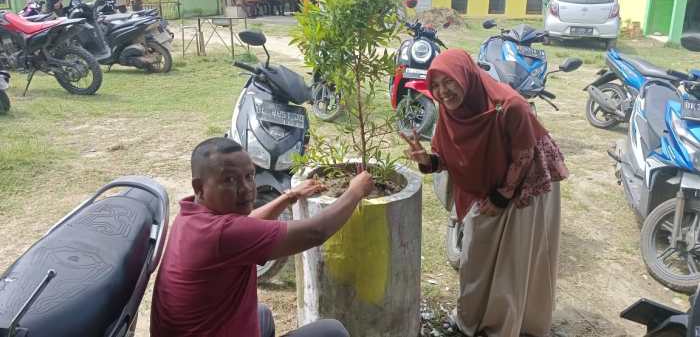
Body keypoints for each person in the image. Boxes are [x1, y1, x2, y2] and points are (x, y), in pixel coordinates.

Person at [402, 49, 568, 337]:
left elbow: (524, 155)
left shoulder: (508, 106)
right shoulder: (451, 110)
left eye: (449, 81)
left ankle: (507, 324)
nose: (443, 91)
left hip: (524, 185)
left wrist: (503, 196)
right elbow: (450, 158)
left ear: (465, 75)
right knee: (476, 256)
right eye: (436, 85)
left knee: (511, 263)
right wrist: (427, 160)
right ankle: (473, 318)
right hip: (488, 183)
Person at [151, 137, 373, 337]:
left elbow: (247, 226)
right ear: (199, 187)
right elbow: (316, 232)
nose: (246, 188)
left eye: (249, 176)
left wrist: (289, 197)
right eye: (229, 180)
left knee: (262, 315)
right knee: (332, 332)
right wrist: (355, 191)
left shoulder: (192, 215)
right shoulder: (222, 234)